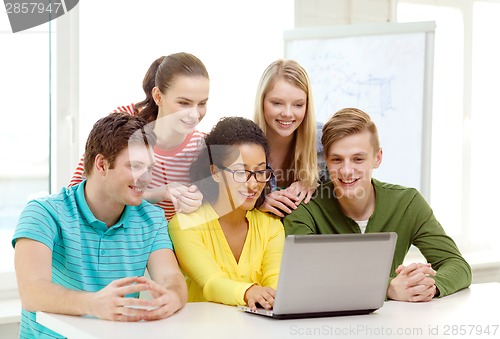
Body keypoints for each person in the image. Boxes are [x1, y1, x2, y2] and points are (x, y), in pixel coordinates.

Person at [13, 113, 188, 338]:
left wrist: (173, 297)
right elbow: (32, 292)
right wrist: (94, 304)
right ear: (102, 164)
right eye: (135, 166)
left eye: (150, 168)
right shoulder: (43, 212)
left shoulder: (152, 218)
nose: (146, 179)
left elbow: (171, 278)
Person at [283, 107, 472, 302]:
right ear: (326, 162)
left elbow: (457, 264)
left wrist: (426, 286)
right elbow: (304, 278)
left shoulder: (408, 203)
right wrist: (388, 288)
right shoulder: (304, 208)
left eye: (358, 159)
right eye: (337, 160)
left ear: (377, 158)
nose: (347, 171)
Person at [69, 52, 210, 221]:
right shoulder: (124, 124)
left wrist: (198, 206)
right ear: (158, 96)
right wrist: (155, 194)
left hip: (162, 240)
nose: (195, 114)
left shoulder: (203, 147)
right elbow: (79, 190)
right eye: (184, 103)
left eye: (202, 103)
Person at [169, 117, 284, 311]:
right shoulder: (185, 224)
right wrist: (249, 292)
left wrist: (271, 296)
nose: (253, 184)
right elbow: (210, 284)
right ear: (215, 172)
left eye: (260, 171)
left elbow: (276, 283)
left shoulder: (272, 226)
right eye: (240, 172)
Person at [253, 59, 320, 217]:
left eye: (298, 105)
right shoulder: (242, 143)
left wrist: (314, 183)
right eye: (277, 103)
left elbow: (347, 183)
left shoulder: (322, 140)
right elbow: (219, 200)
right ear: (262, 101)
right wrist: (257, 202)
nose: (288, 113)